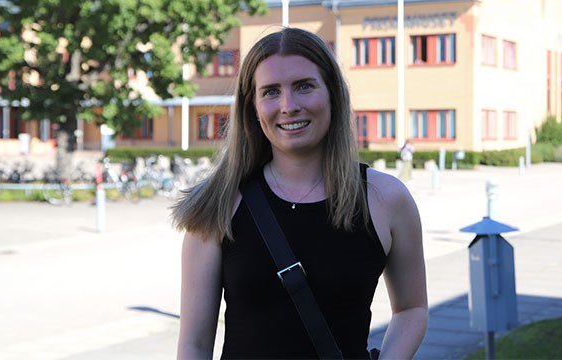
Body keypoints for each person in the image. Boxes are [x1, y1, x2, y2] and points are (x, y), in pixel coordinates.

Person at [172, 27, 428, 359]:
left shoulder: (385, 199)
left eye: (304, 86)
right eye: (271, 92)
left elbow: (411, 309)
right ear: (253, 106)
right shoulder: (219, 205)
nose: (288, 106)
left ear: (333, 93)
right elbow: (194, 344)